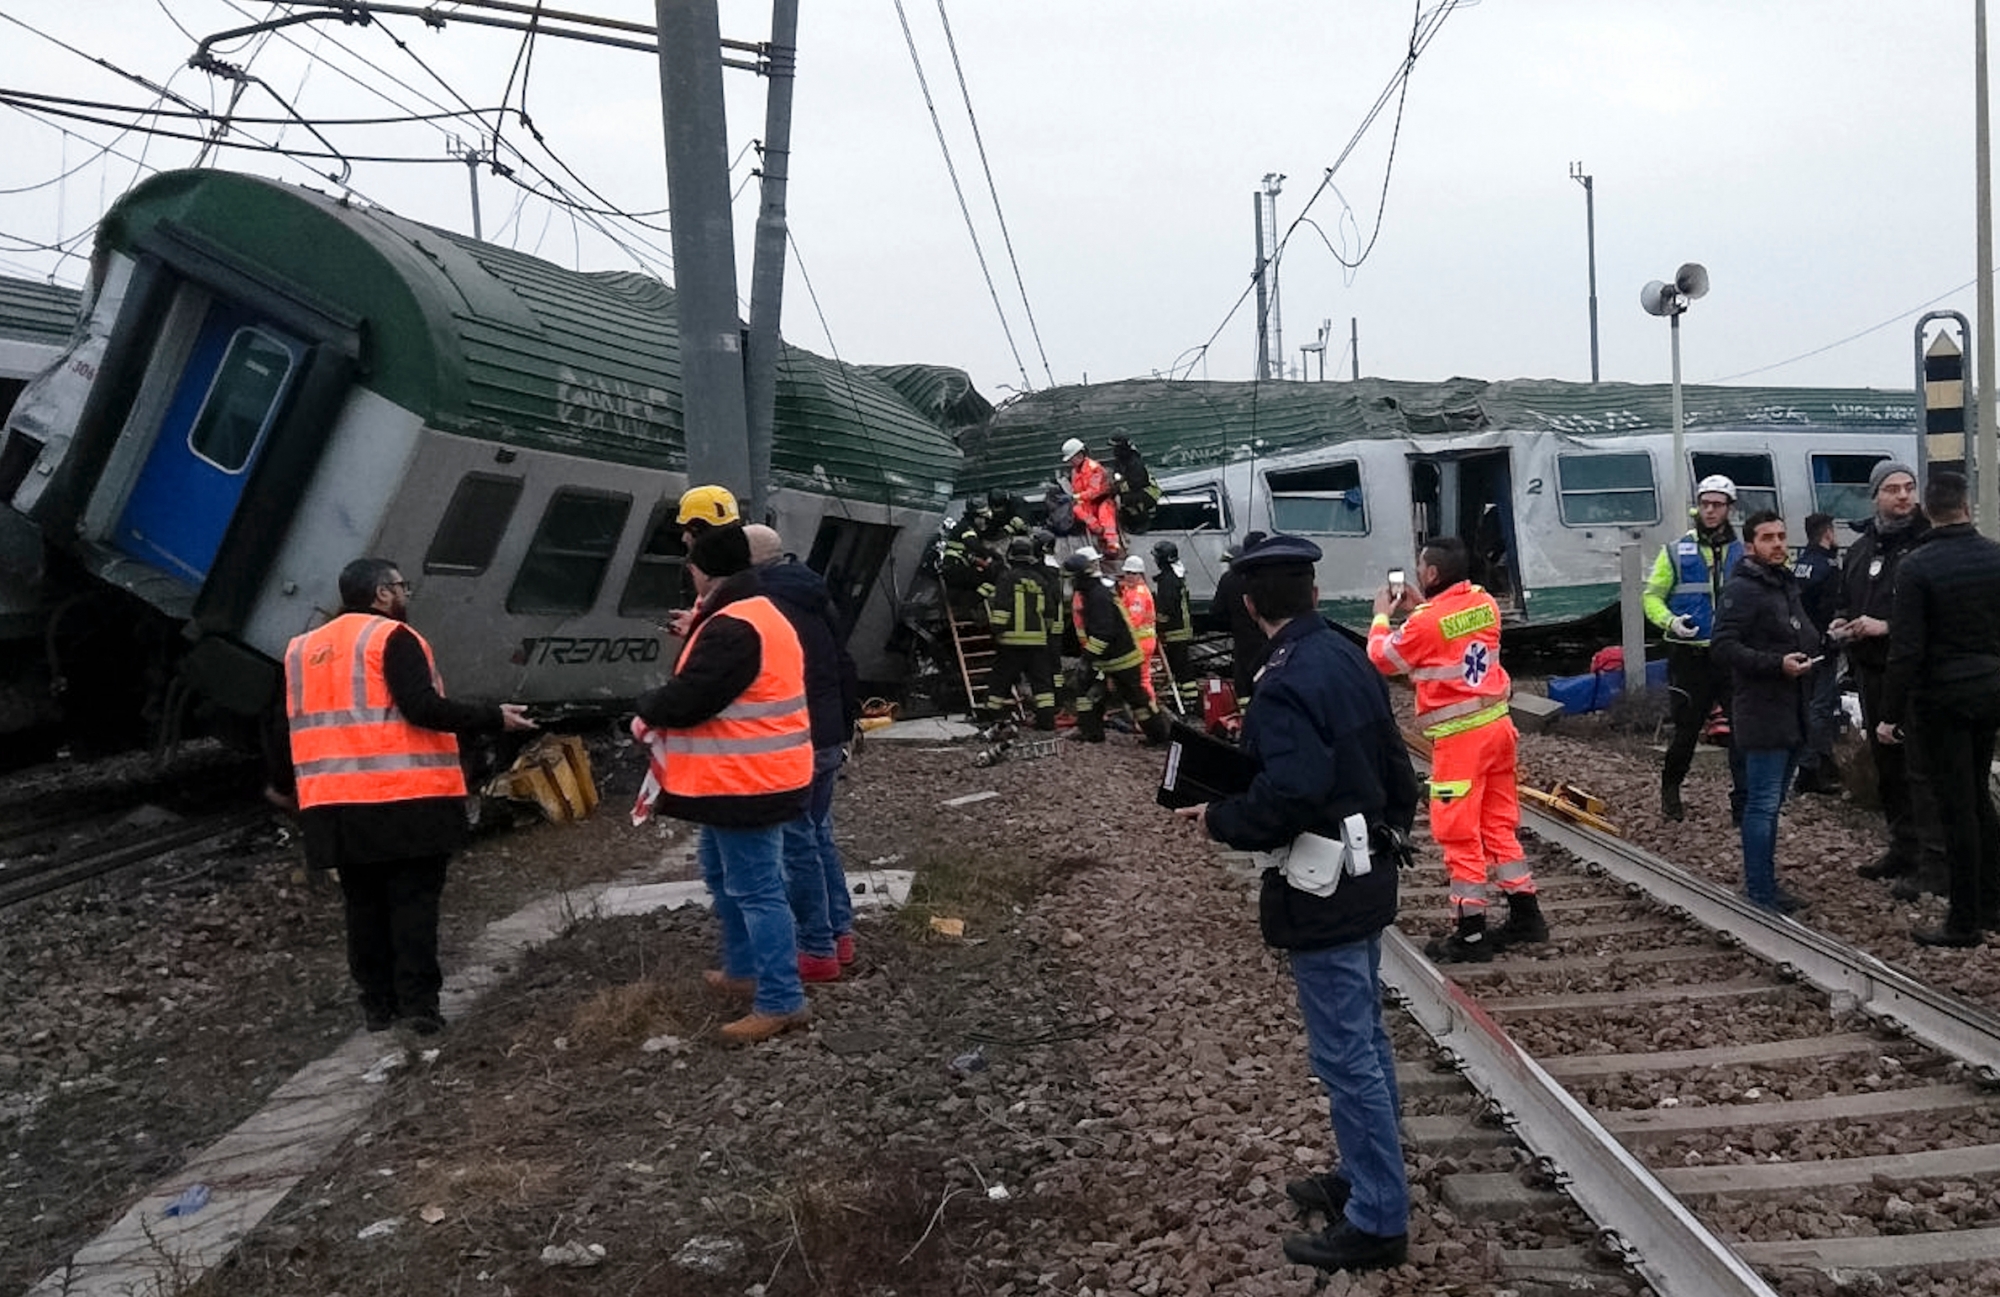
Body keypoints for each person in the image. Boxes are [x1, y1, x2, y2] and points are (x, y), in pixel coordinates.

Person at [1172, 534, 1417, 1275]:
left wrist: (1219, 818)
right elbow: (1393, 761)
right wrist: (1394, 826)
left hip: (1324, 885)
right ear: (1312, 594)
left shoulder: (1280, 681)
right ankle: (1368, 1175)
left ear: (1250, 606)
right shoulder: (1347, 655)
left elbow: (1294, 790)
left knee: (1346, 1056)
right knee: (1365, 1041)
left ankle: (1378, 1216)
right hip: (1366, 868)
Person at [281, 558, 537, 1036]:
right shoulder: (392, 638)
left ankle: (377, 1007)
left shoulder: (301, 649)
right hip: (402, 799)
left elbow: (287, 724)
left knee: (363, 906)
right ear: (380, 594)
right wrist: (492, 717)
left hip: (331, 803)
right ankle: (419, 1005)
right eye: (401, 587)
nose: (405, 595)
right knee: (411, 904)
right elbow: (422, 707)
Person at [635, 525, 815, 1043]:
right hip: (744, 777)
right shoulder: (754, 613)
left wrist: (645, 710)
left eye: (690, 564)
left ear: (703, 569)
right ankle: (742, 969)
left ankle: (781, 999)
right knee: (723, 873)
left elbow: (691, 698)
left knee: (758, 889)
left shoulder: (734, 624)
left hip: (747, 781)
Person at [1367, 536, 1547, 961]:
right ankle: (1526, 914)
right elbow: (1449, 632)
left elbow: (1382, 658)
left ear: (1430, 574)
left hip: (1460, 741)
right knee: (1498, 823)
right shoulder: (1484, 603)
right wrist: (1417, 611)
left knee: (1458, 831)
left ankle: (1470, 931)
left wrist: (1381, 616)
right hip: (1499, 731)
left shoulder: (1425, 623)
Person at [1879, 472, 2000, 946]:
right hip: (1990, 690)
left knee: (1956, 808)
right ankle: (1993, 902)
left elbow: (1906, 649)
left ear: (1928, 509)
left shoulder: (1917, 566)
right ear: (1966, 506)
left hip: (1942, 699)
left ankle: (1963, 921)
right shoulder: (1995, 557)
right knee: (1978, 800)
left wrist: (1889, 714)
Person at [745, 524, 864, 978]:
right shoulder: (815, 596)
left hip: (796, 737)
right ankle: (840, 934)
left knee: (797, 844)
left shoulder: (767, 605)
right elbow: (843, 664)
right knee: (818, 835)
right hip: (829, 734)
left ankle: (816, 949)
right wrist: (846, 724)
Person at [1832, 460, 1947, 890]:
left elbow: (1939, 616)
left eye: (1909, 487)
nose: (1903, 496)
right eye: (1893, 489)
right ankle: (1902, 846)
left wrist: (1886, 625)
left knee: (1920, 766)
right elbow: (1845, 598)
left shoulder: (1927, 545)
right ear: (1876, 496)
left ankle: (1932, 862)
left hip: (1916, 674)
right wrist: (1841, 623)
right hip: (1870, 669)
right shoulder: (1862, 549)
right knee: (1887, 765)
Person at [1711, 511, 1819, 912]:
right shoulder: (1744, 589)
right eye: (1768, 537)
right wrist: (1776, 665)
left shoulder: (1783, 585)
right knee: (1762, 802)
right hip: (1762, 710)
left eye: (1781, 536)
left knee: (1773, 803)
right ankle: (1759, 889)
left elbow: (1800, 631)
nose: (1777, 544)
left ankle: (1767, 883)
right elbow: (1722, 645)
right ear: (1751, 545)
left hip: (1793, 708)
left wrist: (1828, 640)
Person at [1642, 475, 1748, 824]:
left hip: (1733, 655)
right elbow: (1652, 597)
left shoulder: (1744, 551)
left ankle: (1742, 804)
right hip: (1690, 656)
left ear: (1729, 508)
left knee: (1741, 733)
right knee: (1686, 731)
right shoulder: (1675, 551)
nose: (1710, 511)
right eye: (1705, 504)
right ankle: (1670, 791)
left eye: (1717, 505)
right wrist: (1670, 622)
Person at [1063, 550, 1167, 744]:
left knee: (1137, 700)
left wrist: (1087, 657)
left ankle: (1159, 736)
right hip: (1109, 658)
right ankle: (1090, 731)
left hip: (1122, 659)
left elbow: (1104, 632)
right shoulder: (1092, 591)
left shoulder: (1097, 596)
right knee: (1087, 691)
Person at [1790, 512, 1844, 797]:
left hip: (1800, 643)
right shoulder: (1829, 566)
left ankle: (1821, 762)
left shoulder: (1800, 565)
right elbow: (1830, 607)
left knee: (1808, 703)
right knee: (1820, 707)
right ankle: (1810, 769)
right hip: (1822, 646)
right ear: (1828, 532)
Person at [982, 536, 1057, 731]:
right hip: (1038, 643)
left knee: (999, 681)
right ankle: (1047, 721)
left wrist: (995, 632)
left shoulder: (1007, 578)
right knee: (1042, 685)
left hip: (1011, 642)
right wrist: (1044, 632)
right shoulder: (1040, 580)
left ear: (1011, 556)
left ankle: (992, 719)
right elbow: (1050, 612)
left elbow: (1002, 610)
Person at [1203, 531, 1270, 705]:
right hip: (1267, 638)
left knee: (1243, 680)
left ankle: (1246, 720)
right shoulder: (1263, 578)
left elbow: (1217, 612)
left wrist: (1229, 622)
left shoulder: (1228, 579)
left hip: (1242, 639)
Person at [1152, 540, 1201, 714]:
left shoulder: (1168, 580)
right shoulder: (1174, 576)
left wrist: (1157, 625)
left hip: (1175, 629)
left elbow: (1167, 607)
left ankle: (1190, 701)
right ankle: (1184, 698)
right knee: (1179, 665)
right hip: (1179, 628)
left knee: (1181, 666)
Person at [1061, 436, 1122, 555]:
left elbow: (1094, 491)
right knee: (1078, 510)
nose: (1070, 462)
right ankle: (1098, 531)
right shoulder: (1075, 471)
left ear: (1079, 455)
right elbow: (1078, 489)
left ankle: (1113, 545)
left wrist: (1075, 497)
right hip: (1088, 501)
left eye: (1071, 459)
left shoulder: (1095, 469)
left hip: (1103, 500)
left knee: (1107, 519)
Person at [1117, 554, 1160, 703]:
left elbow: (1133, 620)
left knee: (1141, 679)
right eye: (1127, 572)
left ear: (1140, 574)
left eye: (1133, 573)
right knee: (1141, 678)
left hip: (1141, 642)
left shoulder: (1138, 594)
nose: (1129, 576)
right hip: (1140, 641)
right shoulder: (1131, 590)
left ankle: (1149, 710)